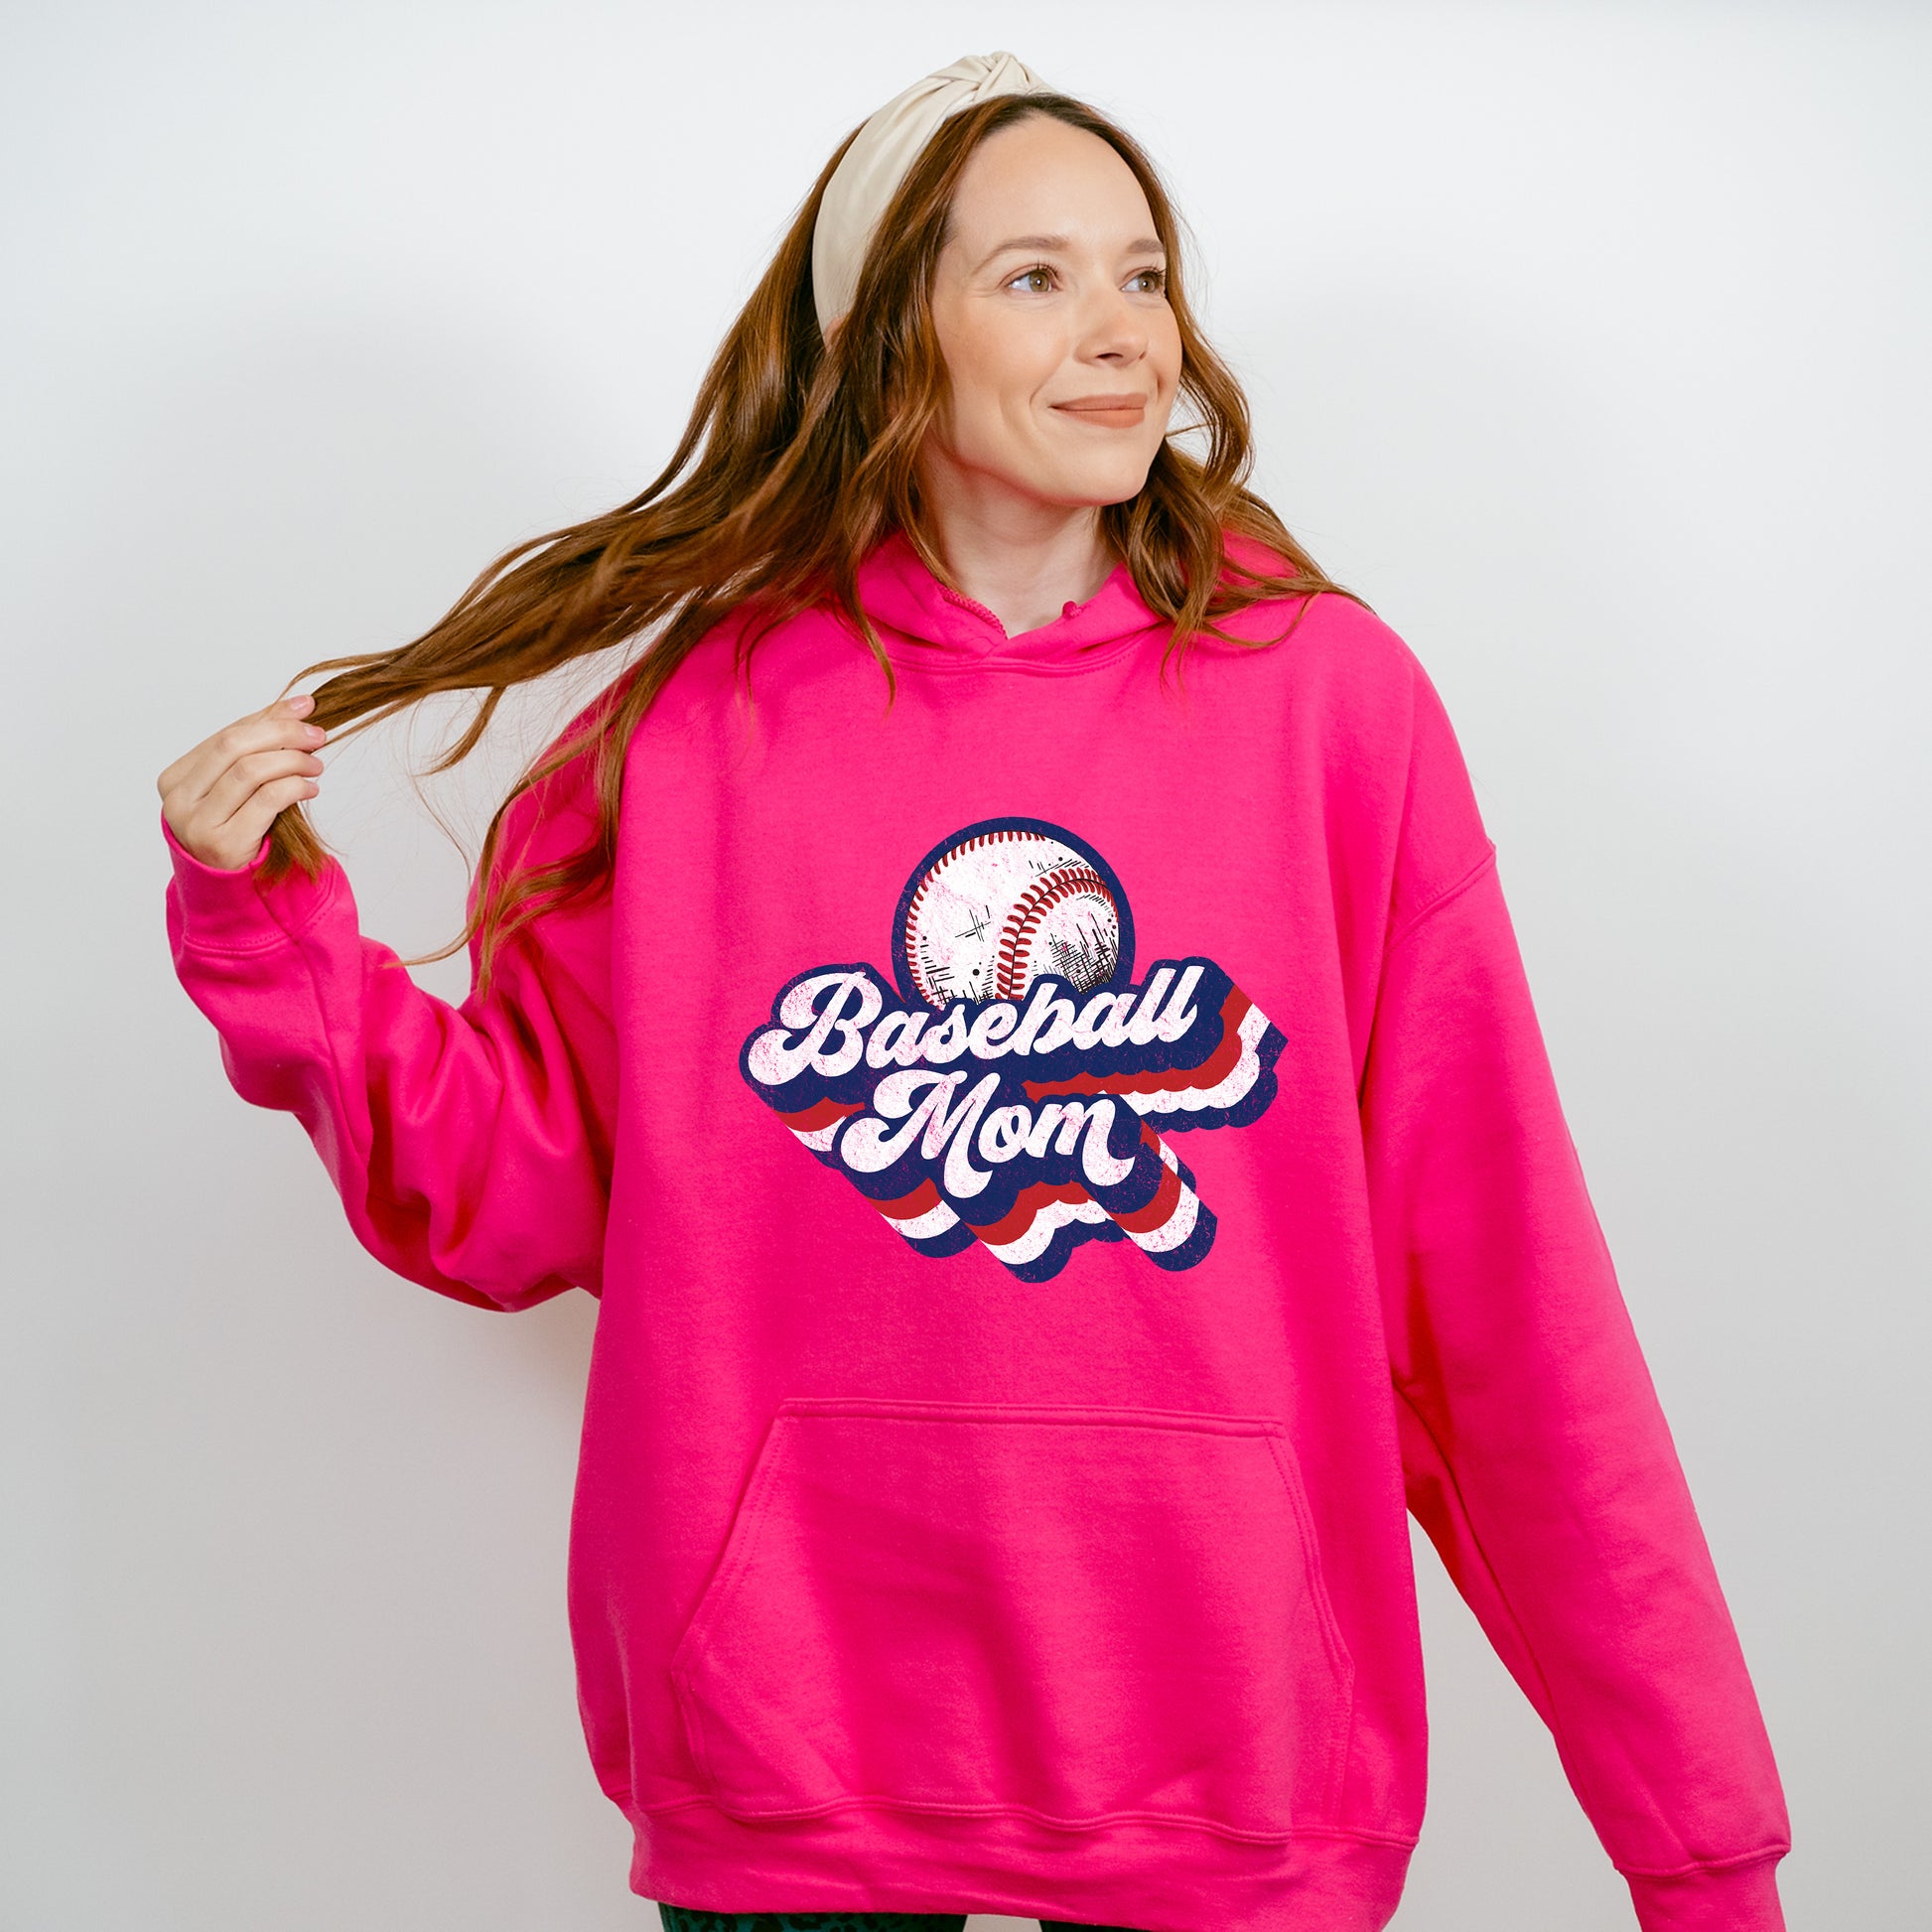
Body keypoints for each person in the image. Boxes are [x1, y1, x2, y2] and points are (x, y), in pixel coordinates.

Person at [155, 50, 1792, 1932]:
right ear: (888, 338)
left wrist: (1697, 1844)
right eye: (1035, 276)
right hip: (797, 1747)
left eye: (1141, 274)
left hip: (1225, 1744)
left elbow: (1501, 1287)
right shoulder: (691, 732)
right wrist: (270, 933)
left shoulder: (1327, 707)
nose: (1120, 333)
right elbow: (507, 1192)